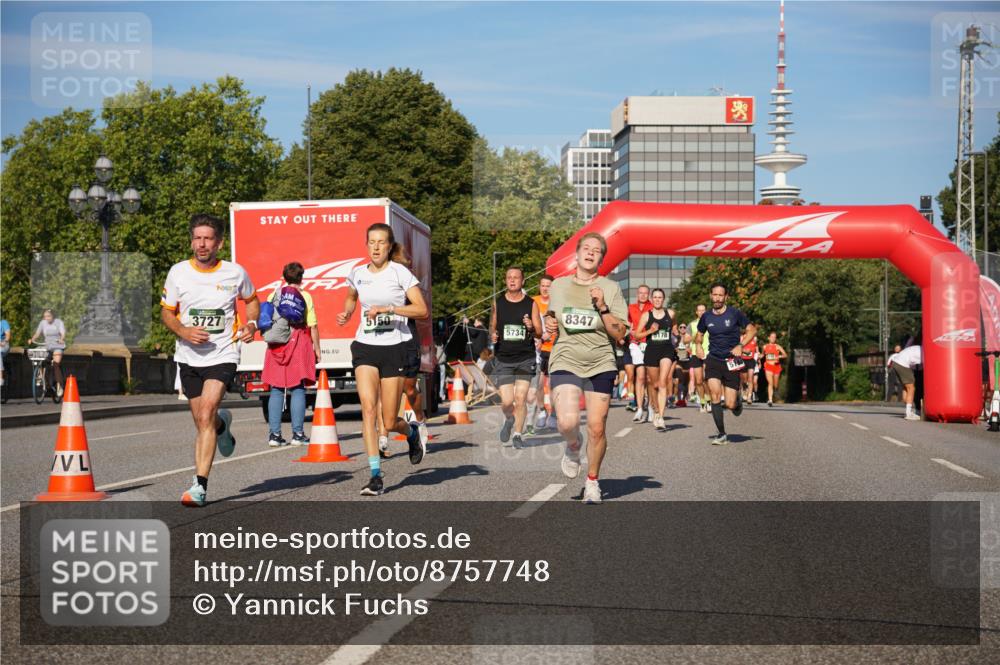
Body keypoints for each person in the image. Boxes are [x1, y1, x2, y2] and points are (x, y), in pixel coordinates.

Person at [161, 214, 259, 507]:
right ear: (192, 241)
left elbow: (252, 301)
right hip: (188, 356)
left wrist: (251, 325)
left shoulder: (235, 273)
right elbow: (167, 312)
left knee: (204, 414)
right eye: (197, 238)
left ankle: (199, 487)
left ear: (219, 243)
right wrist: (183, 330)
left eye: (207, 238)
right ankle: (222, 425)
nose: (201, 244)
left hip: (223, 353)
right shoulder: (178, 272)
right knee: (203, 420)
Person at [338, 222, 428, 496]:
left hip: (395, 348)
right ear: (366, 245)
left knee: (389, 422)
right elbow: (351, 297)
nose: (376, 247)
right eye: (372, 242)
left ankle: (411, 434)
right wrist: (347, 313)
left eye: (381, 242)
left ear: (389, 247)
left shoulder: (400, 273)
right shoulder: (357, 273)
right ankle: (375, 475)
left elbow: (421, 310)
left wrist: (390, 308)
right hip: (365, 345)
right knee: (367, 408)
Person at [544, 232, 628, 504]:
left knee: (596, 427)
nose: (591, 253)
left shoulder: (611, 288)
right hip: (566, 357)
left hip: (601, 360)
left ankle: (592, 481)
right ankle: (572, 446)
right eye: (587, 248)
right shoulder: (559, 285)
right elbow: (552, 318)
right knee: (567, 422)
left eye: (597, 250)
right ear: (577, 254)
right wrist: (549, 324)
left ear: (602, 258)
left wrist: (603, 307)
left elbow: (619, 333)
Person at [263, 262, 321, 448]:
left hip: (277, 344)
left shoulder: (274, 294)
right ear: (301, 277)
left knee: (276, 388)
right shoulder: (305, 296)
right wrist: (317, 349)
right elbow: (312, 324)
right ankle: (298, 434)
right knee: (297, 388)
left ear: (284, 277)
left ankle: (274, 434)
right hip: (299, 341)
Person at [693, 283, 757, 446]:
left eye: (720, 295)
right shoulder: (706, 316)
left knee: (729, 404)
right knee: (714, 396)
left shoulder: (735, 313)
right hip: (713, 359)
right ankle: (721, 434)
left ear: (726, 297)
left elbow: (752, 330)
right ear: (711, 296)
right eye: (715, 295)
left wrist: (741, 345)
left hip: (732, 361)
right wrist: (699, 346)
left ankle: (737, 403)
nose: (717, 298)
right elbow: (699, 335)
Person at [490, 266, 543, 449]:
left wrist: (530, 327)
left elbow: (539, 333)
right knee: (506, 402)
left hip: (524, 358)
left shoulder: (531, 303)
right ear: (506, 281)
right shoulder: (498, 303)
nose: (512, 280)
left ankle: (518, 435)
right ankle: (510, 419)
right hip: (504, 358)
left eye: (516, 278)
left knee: (520, 398)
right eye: (509, 277)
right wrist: (493, 335)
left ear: (523, 281)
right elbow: (493, 326)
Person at [633, 288, 677, 431]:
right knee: (654, 384)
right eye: (655, 297)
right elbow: (637, 335)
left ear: (664, 299)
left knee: (663, 381)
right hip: (652, 350)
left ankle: (660, 417)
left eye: (660, 297)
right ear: (652, 299)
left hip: (666, 350)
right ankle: (655, 408)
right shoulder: (647, 315)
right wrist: (650, 331)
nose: (658, 300)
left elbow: (674, 326)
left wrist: (677, 334)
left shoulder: (670, 313)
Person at [532, 274, 556, 431]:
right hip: (539, 350)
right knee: (539, 384)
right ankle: (541, 411)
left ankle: (553, 415)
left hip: (555, 348)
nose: (545, 288)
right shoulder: (533, 302)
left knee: (554, 385)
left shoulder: (558, 302)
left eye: (548, 285)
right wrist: (535, 337)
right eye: (543, 285)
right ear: (539, 286)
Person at [625, 285, 653, 423]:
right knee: (640, 376)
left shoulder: (653, 308)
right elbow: (626, 324)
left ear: (649, 295)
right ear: (637, 294)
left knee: (650, 378)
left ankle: (652, 408)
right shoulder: (630, 308)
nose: (643, 295)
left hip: (650, 344)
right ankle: (640, 409)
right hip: (635, 344)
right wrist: (629, 331)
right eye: (640, 293)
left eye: (645, 293)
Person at [29, 309, 67, 397]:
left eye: (48, 316)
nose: (46, 318)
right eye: (45, 316)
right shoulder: (42, 323)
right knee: (39, 358)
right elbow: (38, 333)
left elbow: (63, 332)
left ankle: (59, 386)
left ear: (53, 316)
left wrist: (61, 339)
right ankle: (42, 378)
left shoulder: (58, 322)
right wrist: (32, 339)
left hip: (57, 345)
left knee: (56, 364)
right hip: (47, 345)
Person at [888, 340, 922, 420]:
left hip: (896, 362)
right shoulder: (924, 352)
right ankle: (908, 413)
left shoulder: (918, 348)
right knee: (911, 387)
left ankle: (908, 409)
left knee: (906, 387)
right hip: (902, 363)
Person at [687, 304, 711, 413]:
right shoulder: (692, 325)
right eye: (699, 310)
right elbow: (685, 340)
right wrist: (694, 335)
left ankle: (709, 400)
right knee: (699, 380)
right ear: (696, 312)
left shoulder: (710, 323)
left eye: (703, 310)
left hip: (708, 353)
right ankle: (702, 402)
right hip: (696, 354)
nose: (701, 312)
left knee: (706, 378)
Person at [762, 332, 788, 406]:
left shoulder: (777, 346)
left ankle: (775, 390)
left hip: (776, 367)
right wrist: (758, 356)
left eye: (774, 337)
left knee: (775, 384)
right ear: (769, 338)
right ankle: (770, 400)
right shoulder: (764, 347)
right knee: (770, 383)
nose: (773, 338)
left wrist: (779, 356)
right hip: (768, 366)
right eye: (772, 337)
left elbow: (785, 355)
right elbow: (762, 355)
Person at [673, 323, 691, 408]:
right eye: (681, 327)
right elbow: (673, 348)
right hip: (678, 360)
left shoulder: (689, 337)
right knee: (678, 381)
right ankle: (677, 398)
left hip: (687, 361)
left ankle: (683, 399)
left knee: (685, 382)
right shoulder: (676, 338)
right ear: (679, 329)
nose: (683, 328)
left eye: (684, 327)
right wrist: (676, 349)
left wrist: (689, 349)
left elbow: (692, 348)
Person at [740, 332, 759, 404]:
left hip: (751, 360)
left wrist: (758, 355)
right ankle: (744, 388)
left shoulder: (754, 338)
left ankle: (749, 397)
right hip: (743, 360)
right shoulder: (741, 338)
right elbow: (737, 348)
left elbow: (756, 349)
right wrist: (744, 351)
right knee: (744, 380)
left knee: (750, 378)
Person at [435, 336, 448, 402]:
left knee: (441, 381)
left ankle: (441, 394)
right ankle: (441, 394)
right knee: (441, 381)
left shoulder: (438, 346)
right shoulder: (442, 346)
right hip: (440, 364)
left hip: (439, 364)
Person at [0, 315, 10, 389]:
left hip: (3, 344)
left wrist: (4, 341)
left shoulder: (3, 322)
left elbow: (8, 335)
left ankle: (1, 378)